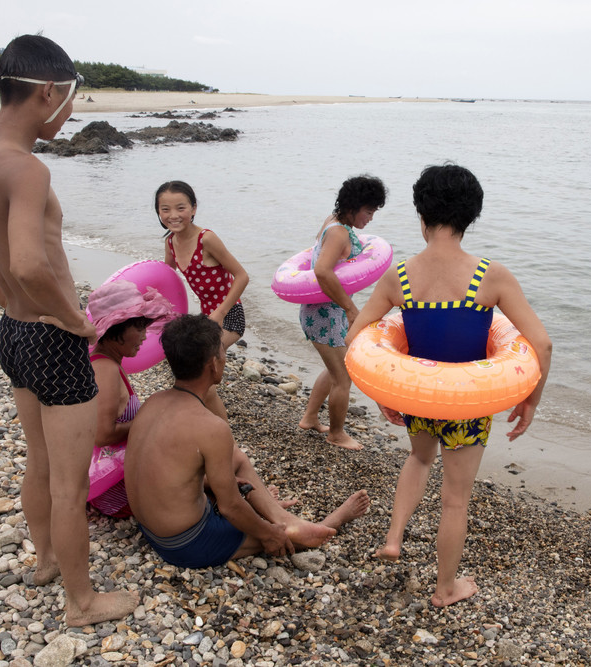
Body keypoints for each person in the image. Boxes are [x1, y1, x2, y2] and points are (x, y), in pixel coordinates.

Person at [0, 34, 137, 626]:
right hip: (52, 340)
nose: (71, 111)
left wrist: (12, 301)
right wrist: (77, 320)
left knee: (39, 461)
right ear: (48, 91)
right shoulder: (26, 168)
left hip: (15, 335)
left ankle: (48, 559)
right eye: (72, 98)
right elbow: (29, 261)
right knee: (69, 482)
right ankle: (82, 601)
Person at [345, 164, 553, 607]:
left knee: (419, 459)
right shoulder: (489, 275)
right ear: (471, 216)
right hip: (468, 406)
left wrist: (386, 390)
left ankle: (395, 537)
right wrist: (530, 399)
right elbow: (542, 343)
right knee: (455, 500)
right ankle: (445, 588)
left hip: (418, 397)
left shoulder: (398, 276)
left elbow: (354, 340)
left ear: (421, 214)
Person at [125, 314, 370, 568]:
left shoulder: (154, 402)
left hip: (152, 527)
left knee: (236, 459)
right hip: (185, 543)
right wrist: (267, 532)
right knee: (280, 538)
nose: (224, 357)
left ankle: (281, 516)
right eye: (222, 351)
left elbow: (170, 471)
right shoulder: (210, 427)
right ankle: (324, 524)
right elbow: (230, 507)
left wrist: (217, 485)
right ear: (213, 364)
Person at [298, 175, 387, 450]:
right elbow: (322, 270)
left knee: (337, 367)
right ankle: (336, 434)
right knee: (343, 375)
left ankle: (310, 418)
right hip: (324, 315)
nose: (371, 218)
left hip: (321, 312)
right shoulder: (338, 232)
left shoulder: (333, 221)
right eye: (369, 211)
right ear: (354, 206)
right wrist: (350, 308)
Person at [157, 180, 248, 420]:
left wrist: (219, 313)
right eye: (165, 209)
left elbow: (242, 276)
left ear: (194, 209)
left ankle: (223, 438)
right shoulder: (170, 243)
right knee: (198, 382)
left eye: (181, 208)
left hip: (230, 317)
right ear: (158, 212)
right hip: (205, 319)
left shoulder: (206, 239)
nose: (173, 215)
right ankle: (204, 429)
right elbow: (167, 281)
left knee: (206, 384)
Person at [86, 280, 177, 517]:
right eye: (139, 328)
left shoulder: (105, 363)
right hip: (116, 493)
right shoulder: (105, 371)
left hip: (111, 483)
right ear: (116, 329)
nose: (145, 337)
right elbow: (102, 434)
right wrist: (148, 418)